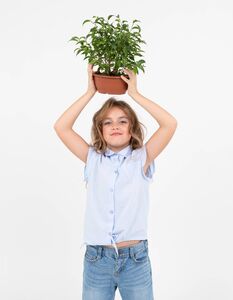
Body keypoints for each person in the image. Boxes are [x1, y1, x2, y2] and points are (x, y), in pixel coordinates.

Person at [53, 64, 177, 300]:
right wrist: (90, 91)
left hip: (135, 259)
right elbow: (61, 127)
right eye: (108, 122)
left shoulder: (142, 158)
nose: (115, 126)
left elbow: (169, 124)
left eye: (122, 121)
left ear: (132, 128)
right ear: (100, 130)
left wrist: (135, 94)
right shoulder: (93, 158)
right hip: (97, 259)